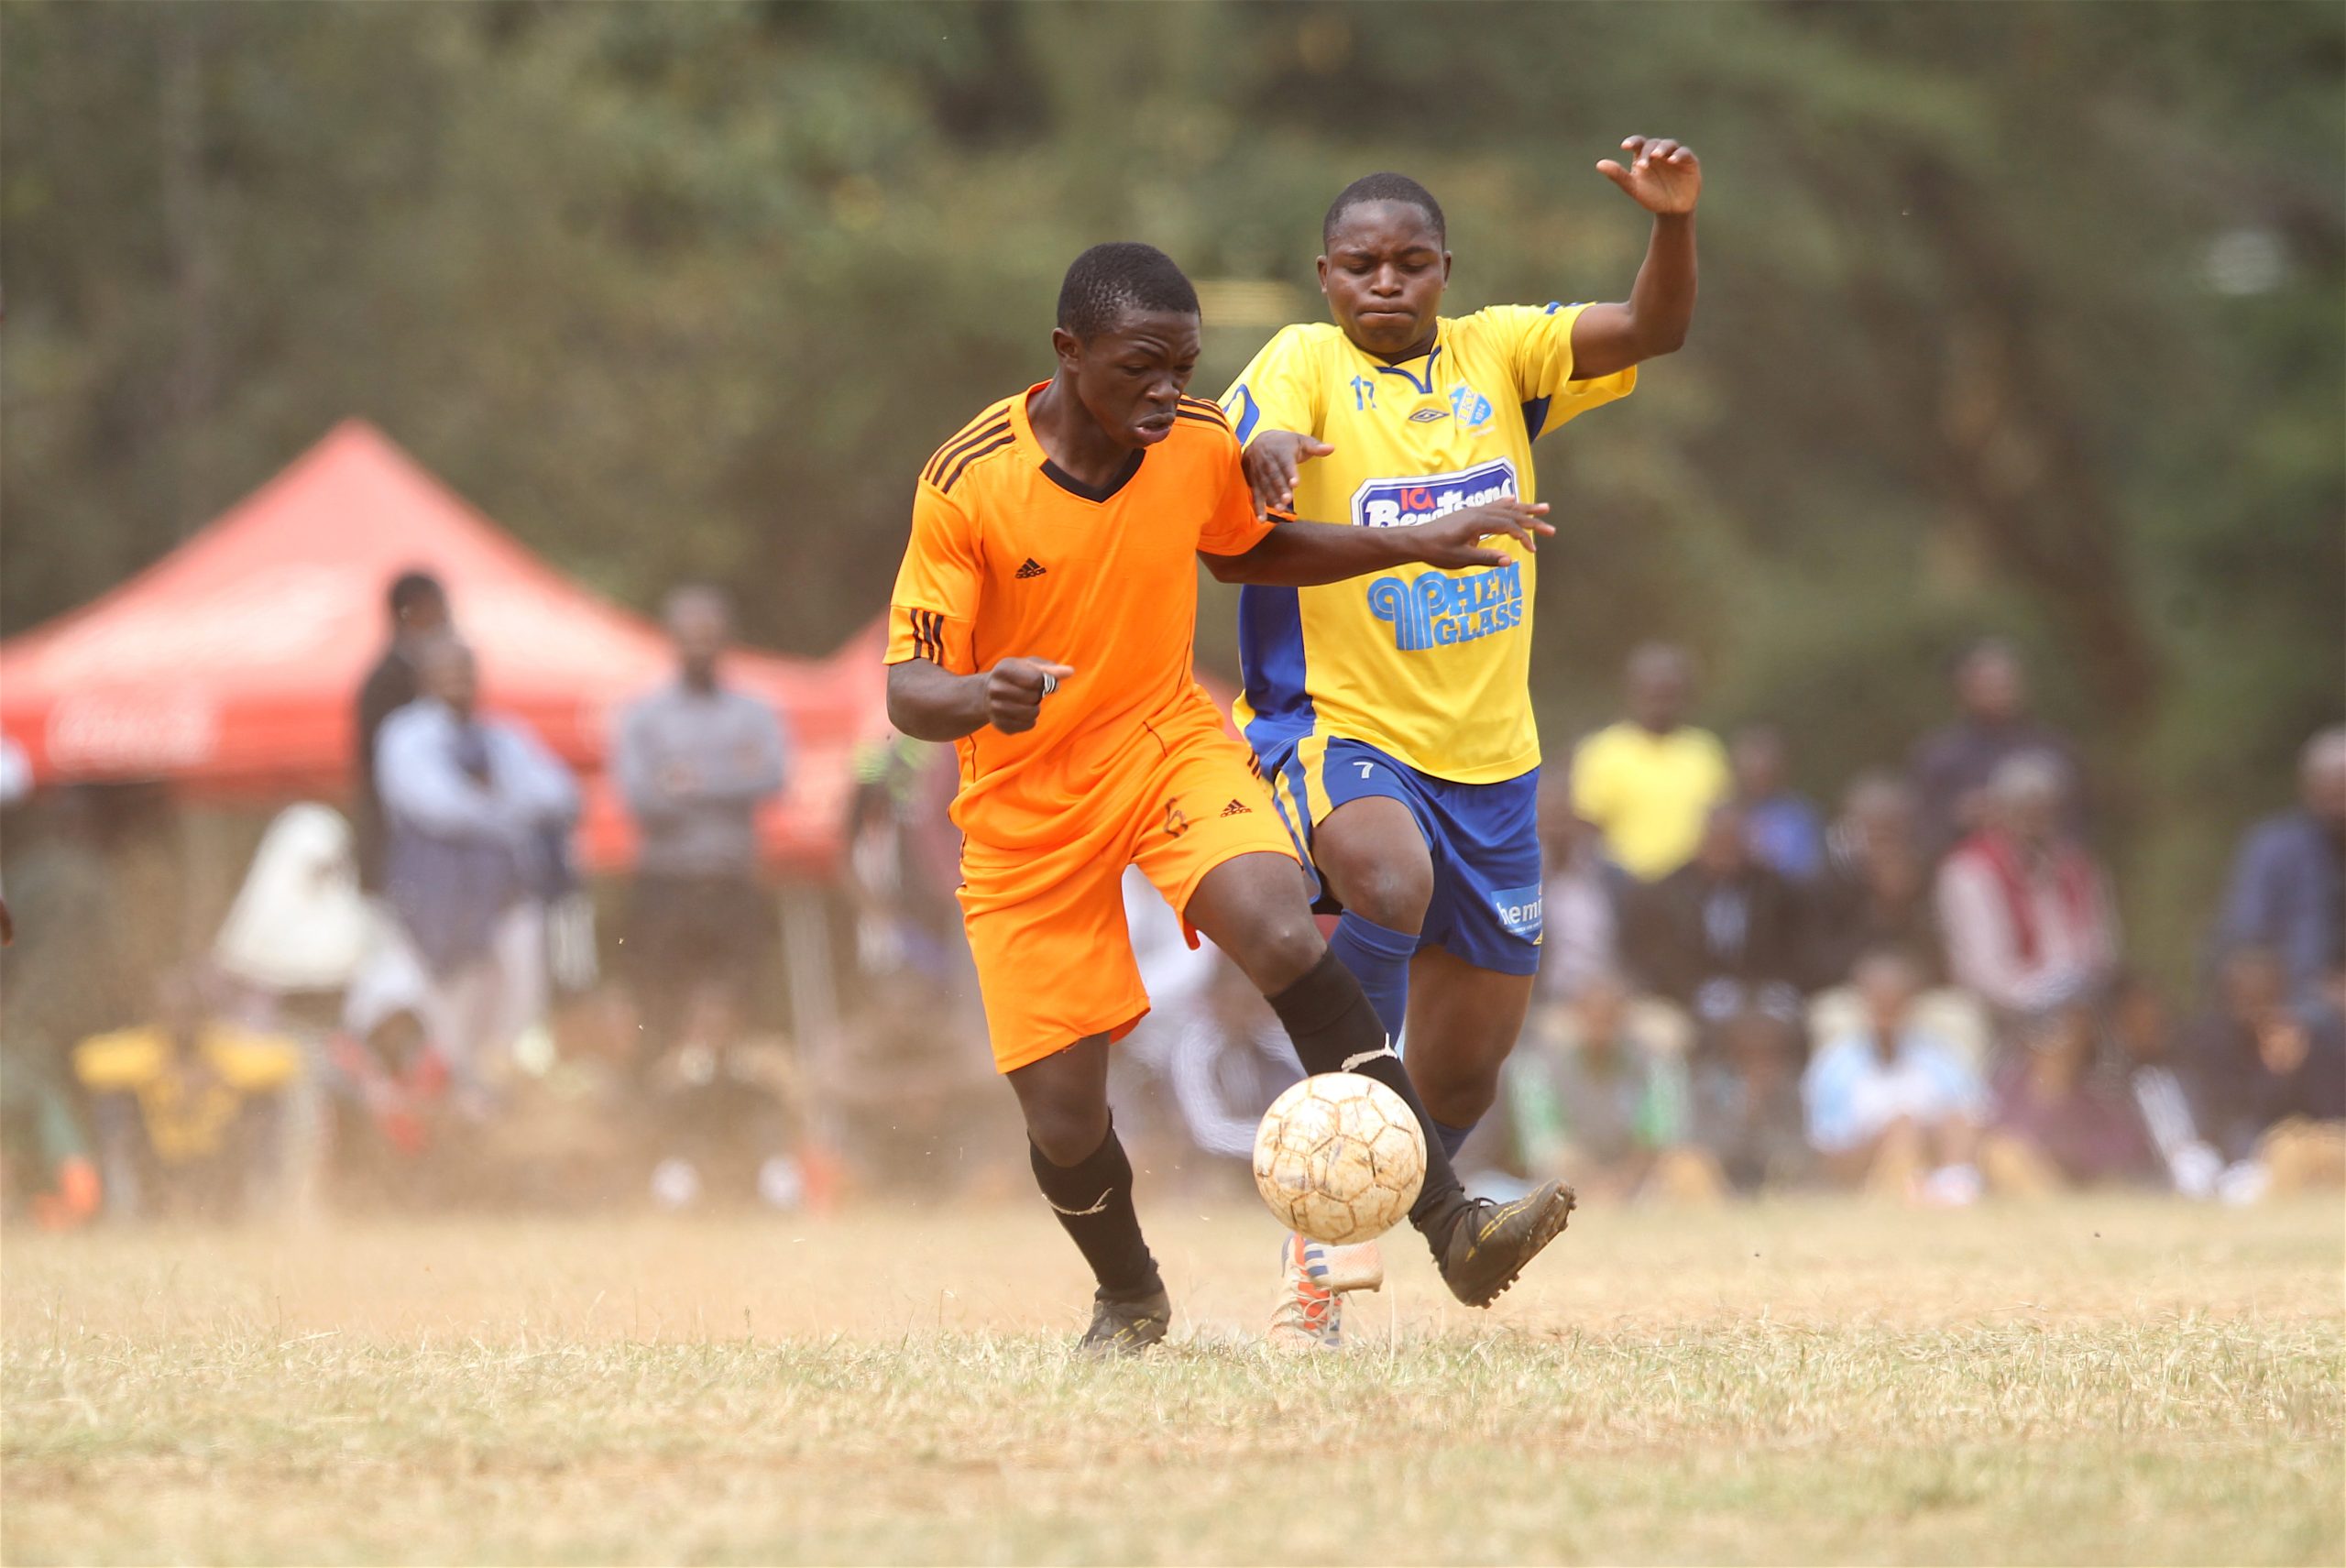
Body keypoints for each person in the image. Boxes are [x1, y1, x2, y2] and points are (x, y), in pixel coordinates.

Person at [882, 241, 1575, 1354]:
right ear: (1067, 354)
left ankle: (1450, 1224)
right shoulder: (967, 480)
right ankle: (1129, 1296)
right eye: (1141, 368)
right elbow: (906, 691)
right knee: (1064, 1119)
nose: (1168, 392)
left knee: (1281, 931)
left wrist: (1409, 543)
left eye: (1185, 367)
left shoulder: (1196, 440)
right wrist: (976, 692)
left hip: (1165, 744)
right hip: (1023, 803)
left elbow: (1252, 551)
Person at [1222, 141, 1699, 1343]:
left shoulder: (1503, 353)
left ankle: (1423, 1215)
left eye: (1411, 262)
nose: (1386, 281)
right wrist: (1267, 454)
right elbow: (1251, 442)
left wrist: (1676, 225)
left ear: (1446, 270)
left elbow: (1652, 326)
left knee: (1463, 1075)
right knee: (1386, 877)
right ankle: (1320, 1262)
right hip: (1340, 724)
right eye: (1361, 264)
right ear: (1324, 274)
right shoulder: (1301, 360)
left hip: (1496, 758)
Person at [375, 638, 579, 1102]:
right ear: (425, 680)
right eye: (446, 674)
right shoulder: (404, 735)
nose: (458, 683)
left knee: (520, 1003)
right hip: (444, 903)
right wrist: (507, 806)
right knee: (451, 1007)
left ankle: (506, 1099)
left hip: (509, 893)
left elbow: (560, 793)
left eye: (465, 673)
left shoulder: (503, 735)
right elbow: (438, 807)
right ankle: (457, 1102)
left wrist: (494, 803)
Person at [615, 585, 790, 1075]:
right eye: (689, 636)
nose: (700, 646)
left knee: (742, 1002)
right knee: (661, 1005)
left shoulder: (754, 711)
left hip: (734, 880)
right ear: (671, 639)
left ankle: (736, 1114)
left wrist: (687, 780)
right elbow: (642, 798)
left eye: (709, 635)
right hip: (666, 883)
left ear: (727, 639)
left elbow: (771, 777)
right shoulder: (643, 715)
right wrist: (730, 777)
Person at [72, 966, 302, 1221]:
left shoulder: (220, 1050)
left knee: (266, 1103)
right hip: (157, 1158)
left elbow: (286, 1061)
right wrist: (158, 1074)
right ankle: (124, 1204)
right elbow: (88, 1061)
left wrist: (223, 1077)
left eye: (188, 1014)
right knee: (113, 1102)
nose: (180, 1023)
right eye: (171, 1013)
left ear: (202, 1016)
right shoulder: (150, 1049)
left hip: (219, 1159)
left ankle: (264, 1204)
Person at [1936, 752, 2118, 1022]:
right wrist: (2041, 998)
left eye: (2045, 812)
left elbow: (2102, 946)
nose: (2035, 825)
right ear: (1999, 812)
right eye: (2024, 812)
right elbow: (1983, 970)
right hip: (2004, 1009)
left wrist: (2082, 986)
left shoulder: (2079, 868)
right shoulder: (1970, 871)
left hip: (2083, 1002)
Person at [1802, 949, 1988, 1204]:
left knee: (1955, 1120)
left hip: (1934, 1162)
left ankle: (1951, 1191)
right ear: (1863, 1005)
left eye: (1895, 1007)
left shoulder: (1939, 1059)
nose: (1886, 1020)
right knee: (1902, 1135)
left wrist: (1925, 1132)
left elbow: (1972, 1123)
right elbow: (1828, 1155)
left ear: (1911, 1006)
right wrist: (1887, 1138)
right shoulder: (1835, 1068)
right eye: (1880, 1007)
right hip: (1865, 1176)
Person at [1625, 802, 1808, 1032]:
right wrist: (1697, 991)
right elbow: (1658, 957)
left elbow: (1794, 947)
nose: (1726, 854)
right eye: (1719, 843)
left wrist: (1762, 989)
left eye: (1734, 844)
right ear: (1701, 843)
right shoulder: (1666, 893)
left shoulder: (1774, 890)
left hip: (1760, 991)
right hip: (1684, 993)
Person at [2210, 726, 2346, 1033]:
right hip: (2294, 1001)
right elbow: (2247, 941)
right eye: (2334, 791)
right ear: (2310, 789)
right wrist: (2319, 987)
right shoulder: (2272, 849)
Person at [2184, 948, 2346, 1194]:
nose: (2255, 1010)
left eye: (2265, 998)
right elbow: (2232, 1119)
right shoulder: (2213, 1044)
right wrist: (2274, 1075)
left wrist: (2294, 1068)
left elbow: (2329, 1114)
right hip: (2242, 1154)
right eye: (2245, 999)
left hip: (2305, 1151)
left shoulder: (2309, 1041)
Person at [1908, 638, 2084, 859]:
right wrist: (1959, 818)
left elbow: (2080, 823)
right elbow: (1921, 832)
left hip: (2049, 873)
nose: (1999, 691)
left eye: (2006, 682)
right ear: (1965, 690)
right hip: (1973, 873)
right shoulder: (1939, 757)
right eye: (1988, 684)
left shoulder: (2053, 749)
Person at [1572, 643, 1730, 884]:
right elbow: (1587, 829)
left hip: (1690, 886)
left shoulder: (1706, 752)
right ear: (1633, 692)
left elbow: (1721, 824)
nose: (1661, 704)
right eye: (1653, 694)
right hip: (1621, 883)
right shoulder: (1603, 752)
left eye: (1670, 694)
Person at [353, 571, 453, 895]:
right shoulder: (387, 683)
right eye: (438, 607)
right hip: (396, 849)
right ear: (412, 610)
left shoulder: (422, 675)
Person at [1985, 1001, 2153, 1192]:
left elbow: (2126, 1155)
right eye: (2050, 1032)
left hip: (2084, 1187)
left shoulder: (2099, 1093)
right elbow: (1993, 1140)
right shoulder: (2006, 1086)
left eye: (2074, 1033)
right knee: (2004, 1154)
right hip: (2031, 1185)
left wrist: (2070, 1153)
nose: (2062, 1046)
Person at [1808, 773, 1946, 989]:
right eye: (1874, 829)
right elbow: (1821, 963)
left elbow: (1943, 958)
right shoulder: (1826, 880)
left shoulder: (1927, 875)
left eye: (1893, 828)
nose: (1884, 841)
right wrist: (1881, 908)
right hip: (1850, 992)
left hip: (1918, 989)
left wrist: (1900, 907)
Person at [1731, 724, 1824, 883]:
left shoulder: (1800, 816)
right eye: (1751, 769)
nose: (1758, 777)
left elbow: (1809, 872)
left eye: (1765, 770)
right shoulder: (1724, 816)